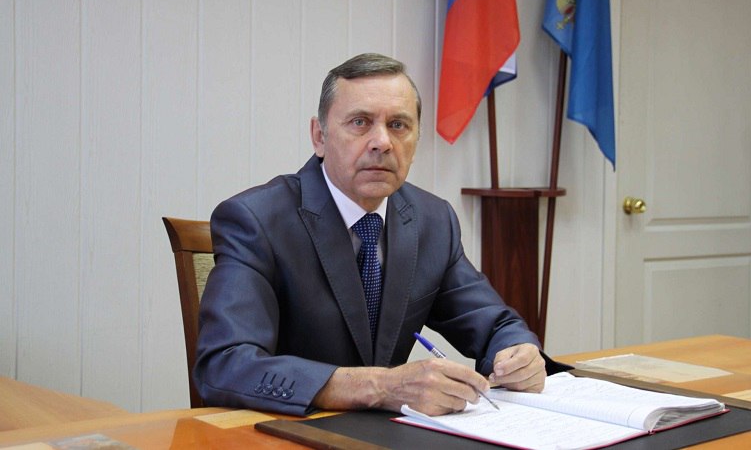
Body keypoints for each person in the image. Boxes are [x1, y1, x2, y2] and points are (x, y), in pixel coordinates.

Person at [194, 53, 567, 417]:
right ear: (319, 137)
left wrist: (517, 353)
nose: (382, 142)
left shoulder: (433, 220)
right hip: (285, 431)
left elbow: (495, 323)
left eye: (398, 125)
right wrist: (378, 387)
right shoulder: (256, 220)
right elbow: (225, 364)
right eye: (360, 122)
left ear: (416, 141)